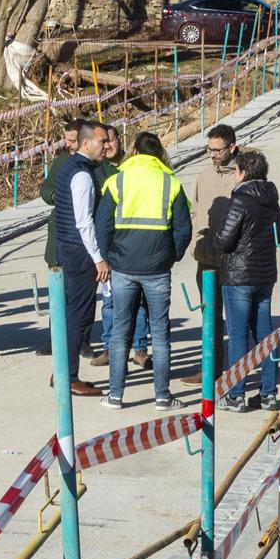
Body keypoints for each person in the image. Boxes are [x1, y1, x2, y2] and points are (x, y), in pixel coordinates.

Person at [95, 132, 193, 410]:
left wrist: (109, 257)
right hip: (158, 269)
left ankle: (115, 395)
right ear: (160, 153)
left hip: (123, 267)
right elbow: (183, 229)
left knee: (120, 331)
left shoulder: (117, 181)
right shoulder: (171, 183)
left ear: (134, 151)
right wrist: (171, 256)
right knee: (160, 333)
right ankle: (162, 396)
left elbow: (102, 226)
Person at [213, 150, 280, 411]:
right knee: (265, 334)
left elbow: (224, 239)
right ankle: (268, 392)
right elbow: (278, 236)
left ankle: (236, 393)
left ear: (242, 172)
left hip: (239, 277)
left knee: (238, 334)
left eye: (235, 170)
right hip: (265, 275)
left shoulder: (240, 200)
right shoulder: (273, 201)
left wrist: (217, 238)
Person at [50, 121, 110, 397]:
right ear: (87, 143)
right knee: (78, 316)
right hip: (79, 252)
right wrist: (98, 258)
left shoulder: (70, 167)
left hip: (67, 247)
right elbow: (84, 222)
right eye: (101, 142)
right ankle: (68, 376)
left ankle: (62, 371)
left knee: (73, 313)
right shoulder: (83, 176)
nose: (106, 146)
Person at [182, 123, 239, 386]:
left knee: (239, 318)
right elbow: (196, 210)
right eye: (210, 150)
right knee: (210, 316)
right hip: (205, 258)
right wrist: (196, 239)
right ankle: (211, 369)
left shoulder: (241, 175)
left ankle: (240, 370)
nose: (214, 154)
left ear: (232, 147)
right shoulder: (204, 176)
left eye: (218, 150)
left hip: (233, 259)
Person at [92, 123, 151, 370]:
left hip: (132, 245)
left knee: (137, 302)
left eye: (111, 140)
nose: (107, 146)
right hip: (108, 246)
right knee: (109, 303)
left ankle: (139, 349)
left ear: (120, 141)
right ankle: (109, 347)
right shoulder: (96, 170)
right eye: (102, 142)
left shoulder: (132, 168)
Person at [36, 119, 86, 357]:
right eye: (66, 140)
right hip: (59, 238)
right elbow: (45, 188)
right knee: (59, 292)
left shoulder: (92, 164)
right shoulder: (63, 160)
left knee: (82, 295)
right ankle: (54, 337)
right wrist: (55, 195)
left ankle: (82, 339)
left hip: (83, 239)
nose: (69, 145)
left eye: (73, 140)